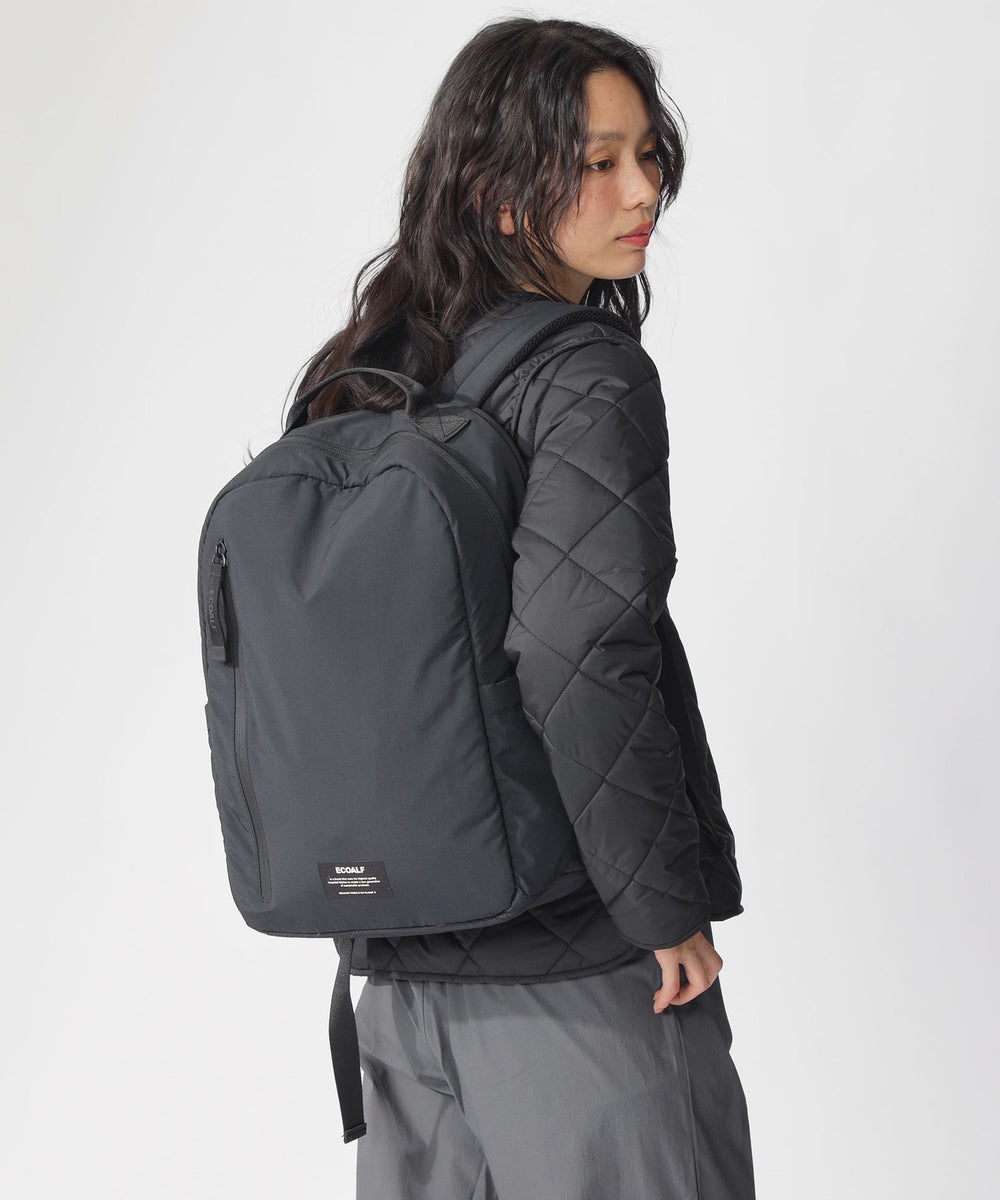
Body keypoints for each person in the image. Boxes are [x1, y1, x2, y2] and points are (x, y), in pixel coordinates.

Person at [288, 16, 756, 1200]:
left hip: (399, 991)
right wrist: (662, 906)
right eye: (597, 162)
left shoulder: (366, 371)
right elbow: (577, 644)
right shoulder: (584, 371)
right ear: (500, 196)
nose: (641, 190)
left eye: (647, 154)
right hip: (582, 990)